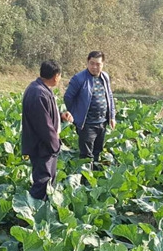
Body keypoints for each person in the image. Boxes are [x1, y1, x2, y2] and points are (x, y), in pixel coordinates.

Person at [21, 60, 73, 200]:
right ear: (56, 76)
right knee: (43, 182)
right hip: (42, 147)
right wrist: (55, 145)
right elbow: (43, 125)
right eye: (60, 76)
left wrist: (60, 116)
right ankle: (32, 212)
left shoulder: (40, 88)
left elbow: (46, 116)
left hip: (43, 145)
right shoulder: (38, 93)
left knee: (46, 181)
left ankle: (42, 212)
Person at [64, 51, 116, 168]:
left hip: (102, 123)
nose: (94, 67)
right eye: (92, 63)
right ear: (87, 62)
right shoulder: (79, 79)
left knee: (97, 152)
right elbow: (68, 97)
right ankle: (85, 182)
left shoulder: (105, 77)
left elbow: (109, 96)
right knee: (86, 157)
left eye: (98, 64)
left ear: (103, 64)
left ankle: (95, 181)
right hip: (87, 125)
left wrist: (112, 116)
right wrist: (75, 117)